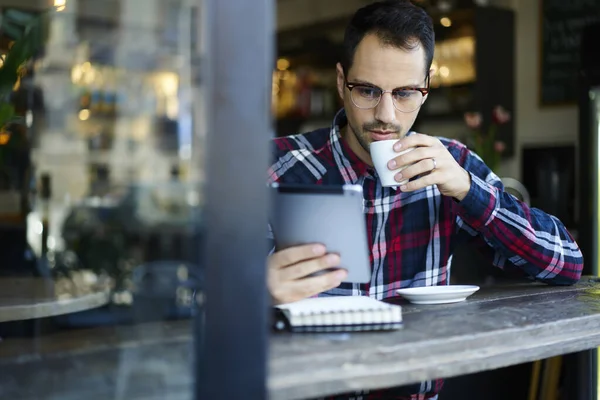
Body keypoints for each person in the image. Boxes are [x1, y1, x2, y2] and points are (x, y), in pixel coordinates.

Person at [266, 1, 584, 399]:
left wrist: (469, 190)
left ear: (426, 88)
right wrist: (253, 288)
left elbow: (566, 263)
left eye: (404, 93)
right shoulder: (275, 166)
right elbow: (195, 295)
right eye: (366, 90)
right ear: (340, 80)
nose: (385, 114)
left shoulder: (452, 167)